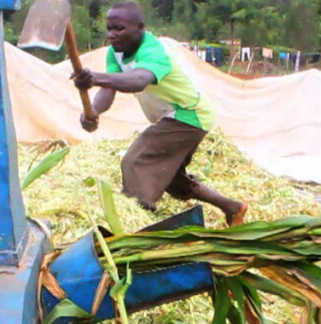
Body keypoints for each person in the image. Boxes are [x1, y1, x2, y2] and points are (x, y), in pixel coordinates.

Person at [72, 2, 248, 225]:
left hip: (189, 114)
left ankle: (138, 221)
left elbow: (139, 80)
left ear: (140, 28)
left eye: (119, 29)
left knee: (136, 162)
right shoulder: (115, 54)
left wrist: (95, 78)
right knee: (171, 177)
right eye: (110, 29)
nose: (112, 35)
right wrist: (93, 111)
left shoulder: (153, 50)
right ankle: (233, 208)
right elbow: (109, 89)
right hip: (174, 117)